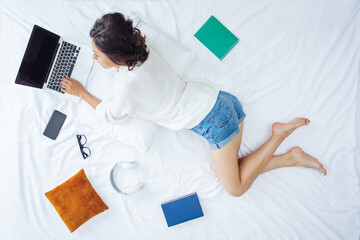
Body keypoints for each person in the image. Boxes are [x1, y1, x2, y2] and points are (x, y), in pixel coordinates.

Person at [61, 12, 327, 197]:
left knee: (235, 189)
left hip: (215, 123)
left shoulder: (127, 86)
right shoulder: (144, 51)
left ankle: (280, 138)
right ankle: (292, 158)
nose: (93, 57)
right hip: (224, 102)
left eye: (96, 54)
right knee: (239, 170)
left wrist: (83, 93)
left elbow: (111, 114)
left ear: (116, 55)